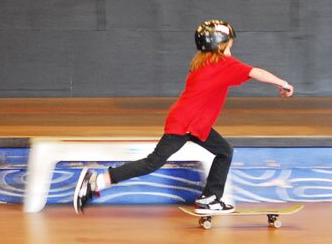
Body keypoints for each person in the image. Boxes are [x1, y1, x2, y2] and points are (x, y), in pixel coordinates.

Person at [73, 19, 293, 215]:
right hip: (187, 123)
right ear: (220, 43)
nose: (232, 46)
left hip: (193, 123)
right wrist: (283, 84)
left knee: (224, 151)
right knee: (153, 162)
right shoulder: (223, 64)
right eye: (230, 42)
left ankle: (210, 198)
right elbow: (256, 72)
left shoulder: (203, 62)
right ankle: (97, 181)